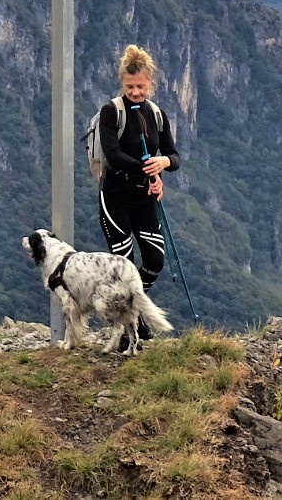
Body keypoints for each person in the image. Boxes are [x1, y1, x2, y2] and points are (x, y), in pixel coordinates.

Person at [97, 44, 180, 341]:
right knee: (126, 265)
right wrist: (148, 170)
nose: (135, 92)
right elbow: (112, 153)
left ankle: (133, 307)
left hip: (144, 198)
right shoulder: (111, 112)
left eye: (141, 87)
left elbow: (174, 156)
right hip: (116, 196)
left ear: (150, 84)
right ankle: (128, 326)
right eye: (130, 87)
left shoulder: (156, 114)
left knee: (155, 260)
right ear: (122, 83)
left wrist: (163, 162)